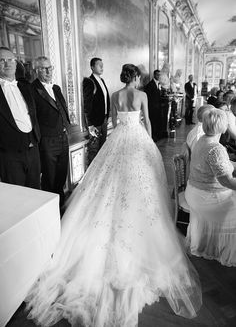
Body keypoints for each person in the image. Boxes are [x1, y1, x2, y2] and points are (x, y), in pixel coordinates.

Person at [26, 64, 201, 327]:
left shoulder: (116, 95)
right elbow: (148, 120)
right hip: (137, 138)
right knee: (141, 185)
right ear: (136, 77)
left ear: (123, 77)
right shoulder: (140, 95)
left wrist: (114, 134)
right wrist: (150, 142)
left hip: (118, 139)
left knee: (106, 183)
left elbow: (113, 121)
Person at [185, 108, 236, 266]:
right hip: (206, 197)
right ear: (223, 126)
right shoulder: (216, 149)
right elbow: (227, 181)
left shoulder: (202, 139)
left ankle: (207, 243)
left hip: (194, 191)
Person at [31, 56, 70, 208]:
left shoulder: (56, 88)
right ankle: (52, 213)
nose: (48, 71)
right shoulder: (32, 89)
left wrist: (67, 128)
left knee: (61, 178)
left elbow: (62, 109)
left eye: (50, 67)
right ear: (36, 70)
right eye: (43, 68)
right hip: (47, 142)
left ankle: (61, 209)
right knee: (50, 180)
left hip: (63, 139)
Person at [0, 47, 40, 189]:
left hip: (33, 150)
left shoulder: (26, 87)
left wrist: (36, 139)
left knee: (36, 192)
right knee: (18, 198)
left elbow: (34, 115)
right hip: (9, 155)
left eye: (10, 60)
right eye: (2, 60)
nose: (7, 64)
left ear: (16, 63)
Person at [83, 57, 110, 165]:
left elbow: (105, 100)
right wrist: (90, 124)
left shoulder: (101, 80)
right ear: (92, 67)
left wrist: (107, 116)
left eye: (102, 65)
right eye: (99, 65)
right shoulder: (89, 82)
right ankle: (92, 176)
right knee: (93, 150)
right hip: (95, 123)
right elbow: (87, 104)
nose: (102, 67)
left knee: (102, 149)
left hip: (103, 120)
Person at [144, 69, 162, 141]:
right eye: (157, 74)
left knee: (157, 122)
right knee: (153, 122)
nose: (158, 76)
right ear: (154, 75)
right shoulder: (150, 85)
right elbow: (148, 97)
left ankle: (157, 135)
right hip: (152, 107)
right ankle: (153, 137)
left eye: (159, 75)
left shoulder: (158, 84)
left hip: (158, 107)